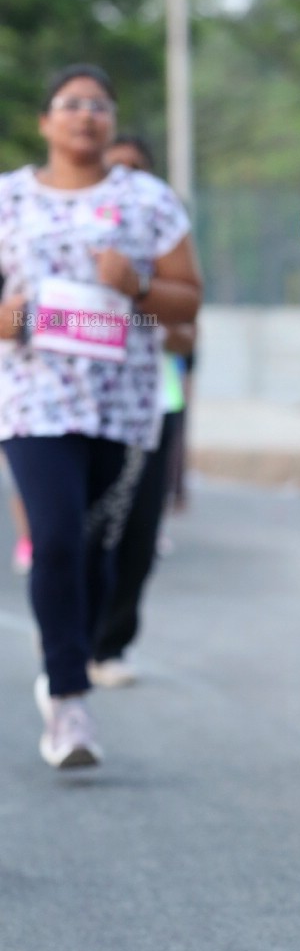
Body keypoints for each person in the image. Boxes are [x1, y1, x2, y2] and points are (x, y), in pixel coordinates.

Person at [0, 67, 202, 766]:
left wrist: (138, 286)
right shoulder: (9, 200)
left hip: (123, 403)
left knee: (95, 552)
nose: (86, 115)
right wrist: (15, 317)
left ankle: (73, 654)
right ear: (46, 121)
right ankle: (67, 703)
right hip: (35, 399)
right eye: (71, 104)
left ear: (112, 121)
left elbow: (185, 303)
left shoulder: (147, 201)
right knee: (53, 539)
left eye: (99, 105)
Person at [88, 132, 197, 686]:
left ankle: (110, 647)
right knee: (77, 528)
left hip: (153, 405)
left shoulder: (163, 241)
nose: (125, 178)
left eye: (137, 169)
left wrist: (140, 299)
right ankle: (70, 626)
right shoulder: (71, 241)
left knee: (136, 533)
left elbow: (184, 334)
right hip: (79, 408)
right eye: (115, 168)